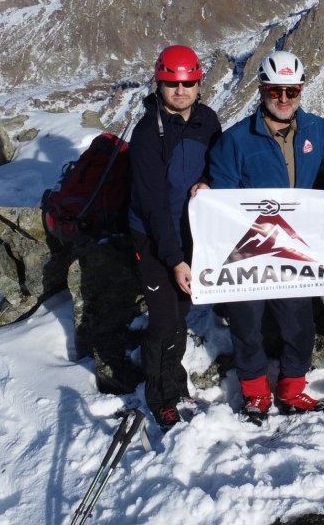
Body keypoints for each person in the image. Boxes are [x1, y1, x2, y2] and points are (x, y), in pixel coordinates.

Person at [205, 50, 324, 423]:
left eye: (292, 91)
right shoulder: (236, 140)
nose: (284, 99)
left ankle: (291, 389)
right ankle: (256, 394)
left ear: (302, 90)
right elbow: (221, 200)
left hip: (292, 247)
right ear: (262, 91)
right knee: (246, 323)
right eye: (276, 91)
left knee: (298, 323)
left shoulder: (315, 130)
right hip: (249, 248)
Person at [124, 45, 220, 431]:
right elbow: (153, 204)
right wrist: (176, 260)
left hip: (186, 232)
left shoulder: (208, 121)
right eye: (170, 83)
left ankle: (174, 380)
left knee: (180, 313)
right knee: (164, 319)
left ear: (198, 83)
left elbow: (218, 164)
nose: (180, 91)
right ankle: (157, 394)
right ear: (159, 83)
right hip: (152, 236)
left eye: (187, 83)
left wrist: (209, 181)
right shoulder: (148, 133)